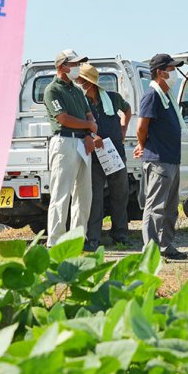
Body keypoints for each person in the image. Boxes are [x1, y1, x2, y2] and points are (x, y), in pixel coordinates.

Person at [134, 53, 187, 260]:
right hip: (158, 159)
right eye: (171, 69)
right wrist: (142, 144)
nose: (174, 73)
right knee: (155, 205)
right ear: (160, 72)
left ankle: (166, 245)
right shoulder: (152, 95)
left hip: (171, 158)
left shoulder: (167, 96)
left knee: (170, 207)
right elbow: (142, 126)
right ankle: (150, 250)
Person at [43, 49, 96, 247]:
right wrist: (88, 126)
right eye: (72, 64)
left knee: (84, 195)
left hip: (82, 143)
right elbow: (63, 118)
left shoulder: (77, 90)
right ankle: (55, 242)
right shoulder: (52, 90)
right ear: (61, 66)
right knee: (61, 194)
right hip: (64, 142)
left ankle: (76, 240)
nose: (76, 68)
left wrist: (89, 134)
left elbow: (89, 115)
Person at [76, 63, 132, 250]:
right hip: (93, 157)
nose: (79, 83)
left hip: (115, 153)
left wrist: (124, 128)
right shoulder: (80, 101)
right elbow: (81, 125)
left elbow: (127, 109)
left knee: (120, 195)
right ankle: (93, 238)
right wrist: (92, 136)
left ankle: (120, 234)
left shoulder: (113, 98)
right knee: (94, 198)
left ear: (88, 83)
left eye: (82, 81)